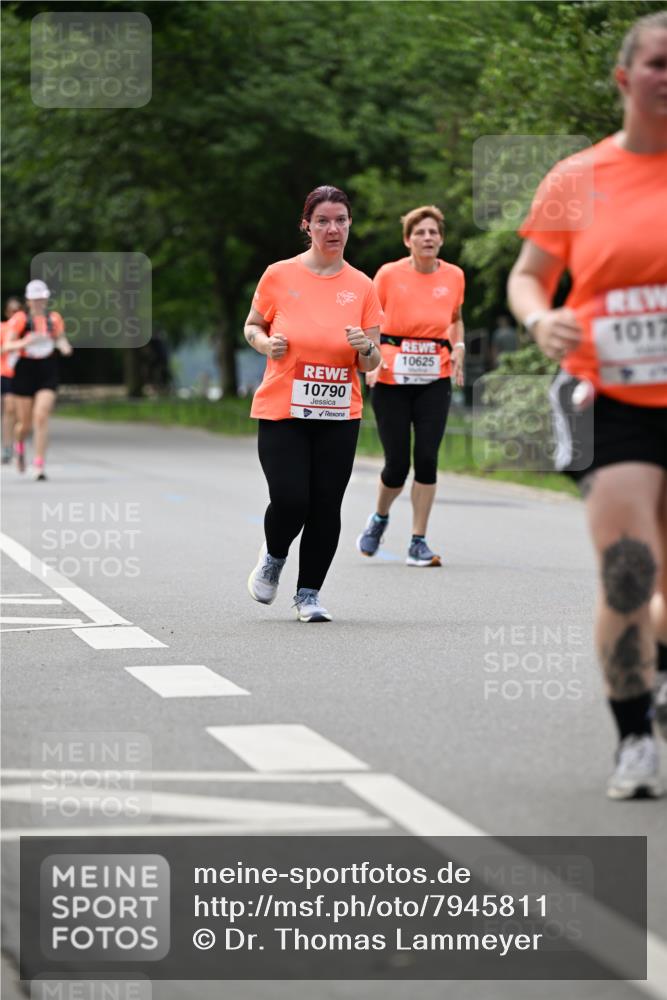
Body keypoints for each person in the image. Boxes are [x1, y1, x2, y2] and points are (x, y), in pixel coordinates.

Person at [507, 11, 667, 800]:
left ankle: (656, 670)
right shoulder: (577, 179)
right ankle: (635, 738)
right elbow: (527, 275)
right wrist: (541, 318)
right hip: (609, 393)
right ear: (624, 77)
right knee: (630, 573)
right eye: (659, 63)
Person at [243, 185, 383, 622]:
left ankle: (309, 595)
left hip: (339, 412)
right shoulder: (279, 275)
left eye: (340, 220)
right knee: (290, 499)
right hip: (283, 407)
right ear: (307, 226)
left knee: (326, 504)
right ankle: (274, 555)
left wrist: (365, 347)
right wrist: (267, 343)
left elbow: (373, 358)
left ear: (349, 225)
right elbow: (251, 326)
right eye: (322, 220)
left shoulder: (362, 286)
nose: (333, 228)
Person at [356, 205, 465, 566]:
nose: (428, 237)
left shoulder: (454, 276)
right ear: (408, 240)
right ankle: (380, 517)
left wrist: (459, 348)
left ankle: (418, 540)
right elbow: (369, 320)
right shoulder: (387, 275)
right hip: (391, 377)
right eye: (420, 232)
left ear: (441, 239)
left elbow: (455, 320)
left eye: (434, 232)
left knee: (428, 459)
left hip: (435, 376)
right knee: (397, 465)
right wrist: (370, 360)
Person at [3, 279, 73, 480]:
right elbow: (7, 346)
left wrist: (64, 345)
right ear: (28, 300)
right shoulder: (19, 320)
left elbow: (59, 337)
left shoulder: (54, 319)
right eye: (34, 299)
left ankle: (39, 464)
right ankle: (19, 445)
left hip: (46, 368)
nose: (38, 303)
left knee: (41, 416)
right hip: (25, 368)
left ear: (46, 299)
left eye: (41, 299)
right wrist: (24, 342)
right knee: (24, 423)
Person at [0, 297, 23, 463]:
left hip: (23, 374)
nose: (15, 314)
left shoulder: (25, 327)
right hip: (6, 372)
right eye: (12, 311)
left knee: (19, 412)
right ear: (7, 313)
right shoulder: (3, 328)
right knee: (9, 408)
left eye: (18, 311)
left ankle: (17, 444)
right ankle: (7, 447)